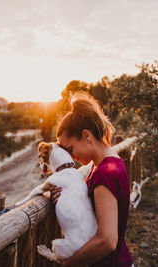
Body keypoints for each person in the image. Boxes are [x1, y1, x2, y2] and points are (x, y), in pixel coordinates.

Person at [51, 92, 133, 267]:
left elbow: (107, 240)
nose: (71, 156)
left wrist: (68, 265)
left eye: (70, 148)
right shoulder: (109, 162)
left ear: (87, 136)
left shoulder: (104, 173)